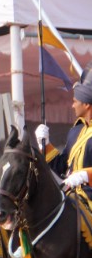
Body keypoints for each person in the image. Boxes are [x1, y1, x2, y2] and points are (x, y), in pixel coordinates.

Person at [36, 64, 92, 205]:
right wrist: (45, 144)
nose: (72, 106)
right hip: (73, 197)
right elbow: (62, 167)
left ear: (86, 105)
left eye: (75, 102)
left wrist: (86, 174)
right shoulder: (76, 131)